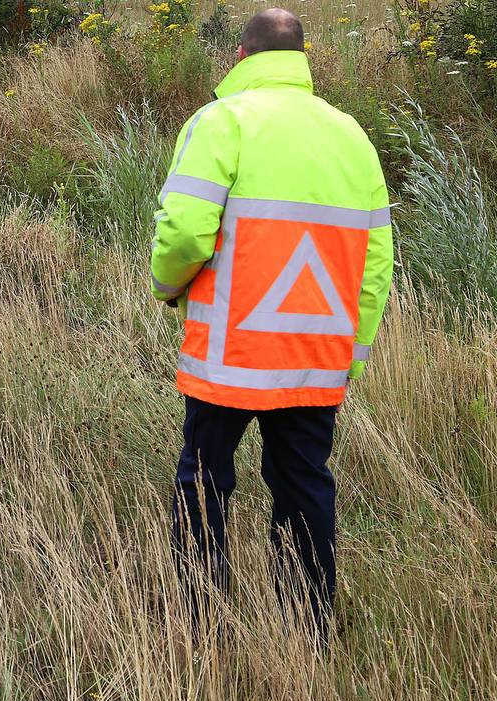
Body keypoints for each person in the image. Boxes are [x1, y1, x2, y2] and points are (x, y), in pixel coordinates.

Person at [150, 8, 393, 643]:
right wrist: (352, 355)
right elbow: (376, 266)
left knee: (205, 483)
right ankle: (306, 632)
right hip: (316, 358)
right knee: (304, 486)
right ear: (302, 59)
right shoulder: (352, 137)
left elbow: (182, 231)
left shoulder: (222, 121)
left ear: (240, 57)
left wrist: (167, 287)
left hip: (229, 355)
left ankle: (201, 629)